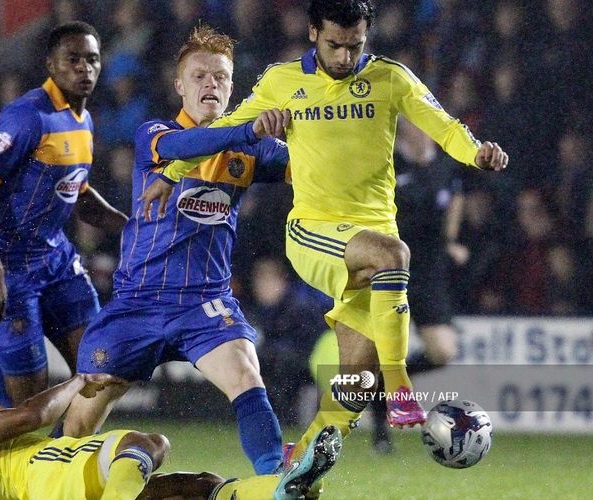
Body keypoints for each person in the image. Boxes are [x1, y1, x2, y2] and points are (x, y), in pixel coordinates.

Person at [140, 0, 508, 461]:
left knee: (356, 382)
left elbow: (444, 126)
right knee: (395, 255)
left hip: (370, 241)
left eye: (354, 46)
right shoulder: (282, 81)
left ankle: (300, 465)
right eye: (334, 45)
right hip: (314, 232)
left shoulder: (390, 78)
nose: (343, 57)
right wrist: (171, 173)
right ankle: (401, 390)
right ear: (314, 32)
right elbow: (230, 128)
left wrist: (476, 153)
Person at [64, 25, 290, 476]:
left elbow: (314, 166)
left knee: (246, 373)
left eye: (222, 77)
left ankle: (276, 482)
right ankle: (43, 482)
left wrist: (307, 127)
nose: (212, 84)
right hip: (137, 303)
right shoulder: (157, 134)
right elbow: (192, 145)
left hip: (203, 303)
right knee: (79, 418)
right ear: (179, 85)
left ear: (232, 86)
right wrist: (249, 128)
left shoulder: (251, 152)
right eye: (201, 76)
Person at [0, 317, 342, 499]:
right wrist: (79, 379)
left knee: (200, 488)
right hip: (49, 479)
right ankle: (281, 484)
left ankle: (282, 490)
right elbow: (32, 415)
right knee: (147, 443)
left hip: (49, 479)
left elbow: (15, 411)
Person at [0, 21, 128, 406]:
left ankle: (62, 457)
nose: (85, 68)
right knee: (28, 403)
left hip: (56, 260)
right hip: (8, 266)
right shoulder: (28, 116)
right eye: (73, 60)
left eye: (93, 59)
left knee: (100, 371)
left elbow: (78, 195)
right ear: (51, 65)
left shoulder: (84, 120)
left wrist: (132, 226)